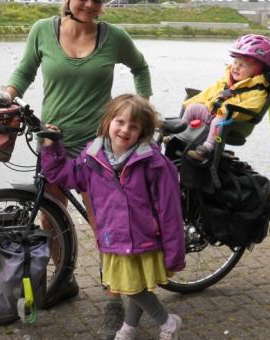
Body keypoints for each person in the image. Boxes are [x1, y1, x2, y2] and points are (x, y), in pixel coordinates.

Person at [4, 1, 152, 337]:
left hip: (98, 146)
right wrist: (7, 94)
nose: (90, 4)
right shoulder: (43, 29)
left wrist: (142, 110)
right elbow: (25, 72)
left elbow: (141, 68)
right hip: (52, 142)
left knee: (105, 224)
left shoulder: (114, 37)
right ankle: (63, 278)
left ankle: (114, 300)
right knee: (50, 216)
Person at [40, 94, 186, 340]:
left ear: (142, 132)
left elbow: (170, 210)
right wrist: (52, 147)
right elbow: (65, 175)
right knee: (131, 284)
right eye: (120, 121)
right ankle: (129, 327)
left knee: (133, 287)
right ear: (108, 121)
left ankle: (168, 321)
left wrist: (174, 251)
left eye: (133, 126)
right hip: (112, 237)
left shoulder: (154, 164)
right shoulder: (92, 156)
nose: (125, 130)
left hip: (144, 238)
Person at [179, 34, 270, 161]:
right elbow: (208, 93)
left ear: (257, 71)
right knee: (193, 108)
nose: (236, 67)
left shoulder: (257, 90)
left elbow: (252, 107)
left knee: (218, 121)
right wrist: (190, 102)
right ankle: (179, 133)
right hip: (212, 112)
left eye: (242, 65)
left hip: (232, 122)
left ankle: (206, 149)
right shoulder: (227, 81)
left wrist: (224, 111)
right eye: (235, 62)